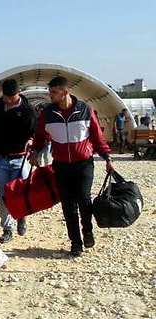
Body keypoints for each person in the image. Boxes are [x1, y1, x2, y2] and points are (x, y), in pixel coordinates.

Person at [29, 76, 114, 257]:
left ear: (65, 92)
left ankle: (88, 231)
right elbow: (39, 136)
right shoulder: (48, 114)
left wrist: (107, 157)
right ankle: (75, 242)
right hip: (60, 166)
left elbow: (97, 137)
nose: (50, 95)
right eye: (49, 92)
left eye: (54, 92)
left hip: (83, 164)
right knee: (68, 206)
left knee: (83, 199)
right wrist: (35, 151)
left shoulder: (85, 110)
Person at [0, 79, 36, 243]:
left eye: (10, 97)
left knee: (21, 191)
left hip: (19, 159)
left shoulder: (28, 111)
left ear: (18, 93)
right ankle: (7, 228)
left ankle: (21, 217)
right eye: (5, 96)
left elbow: (35, 131)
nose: (7, 100)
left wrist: (32, 140)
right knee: (2, 195)